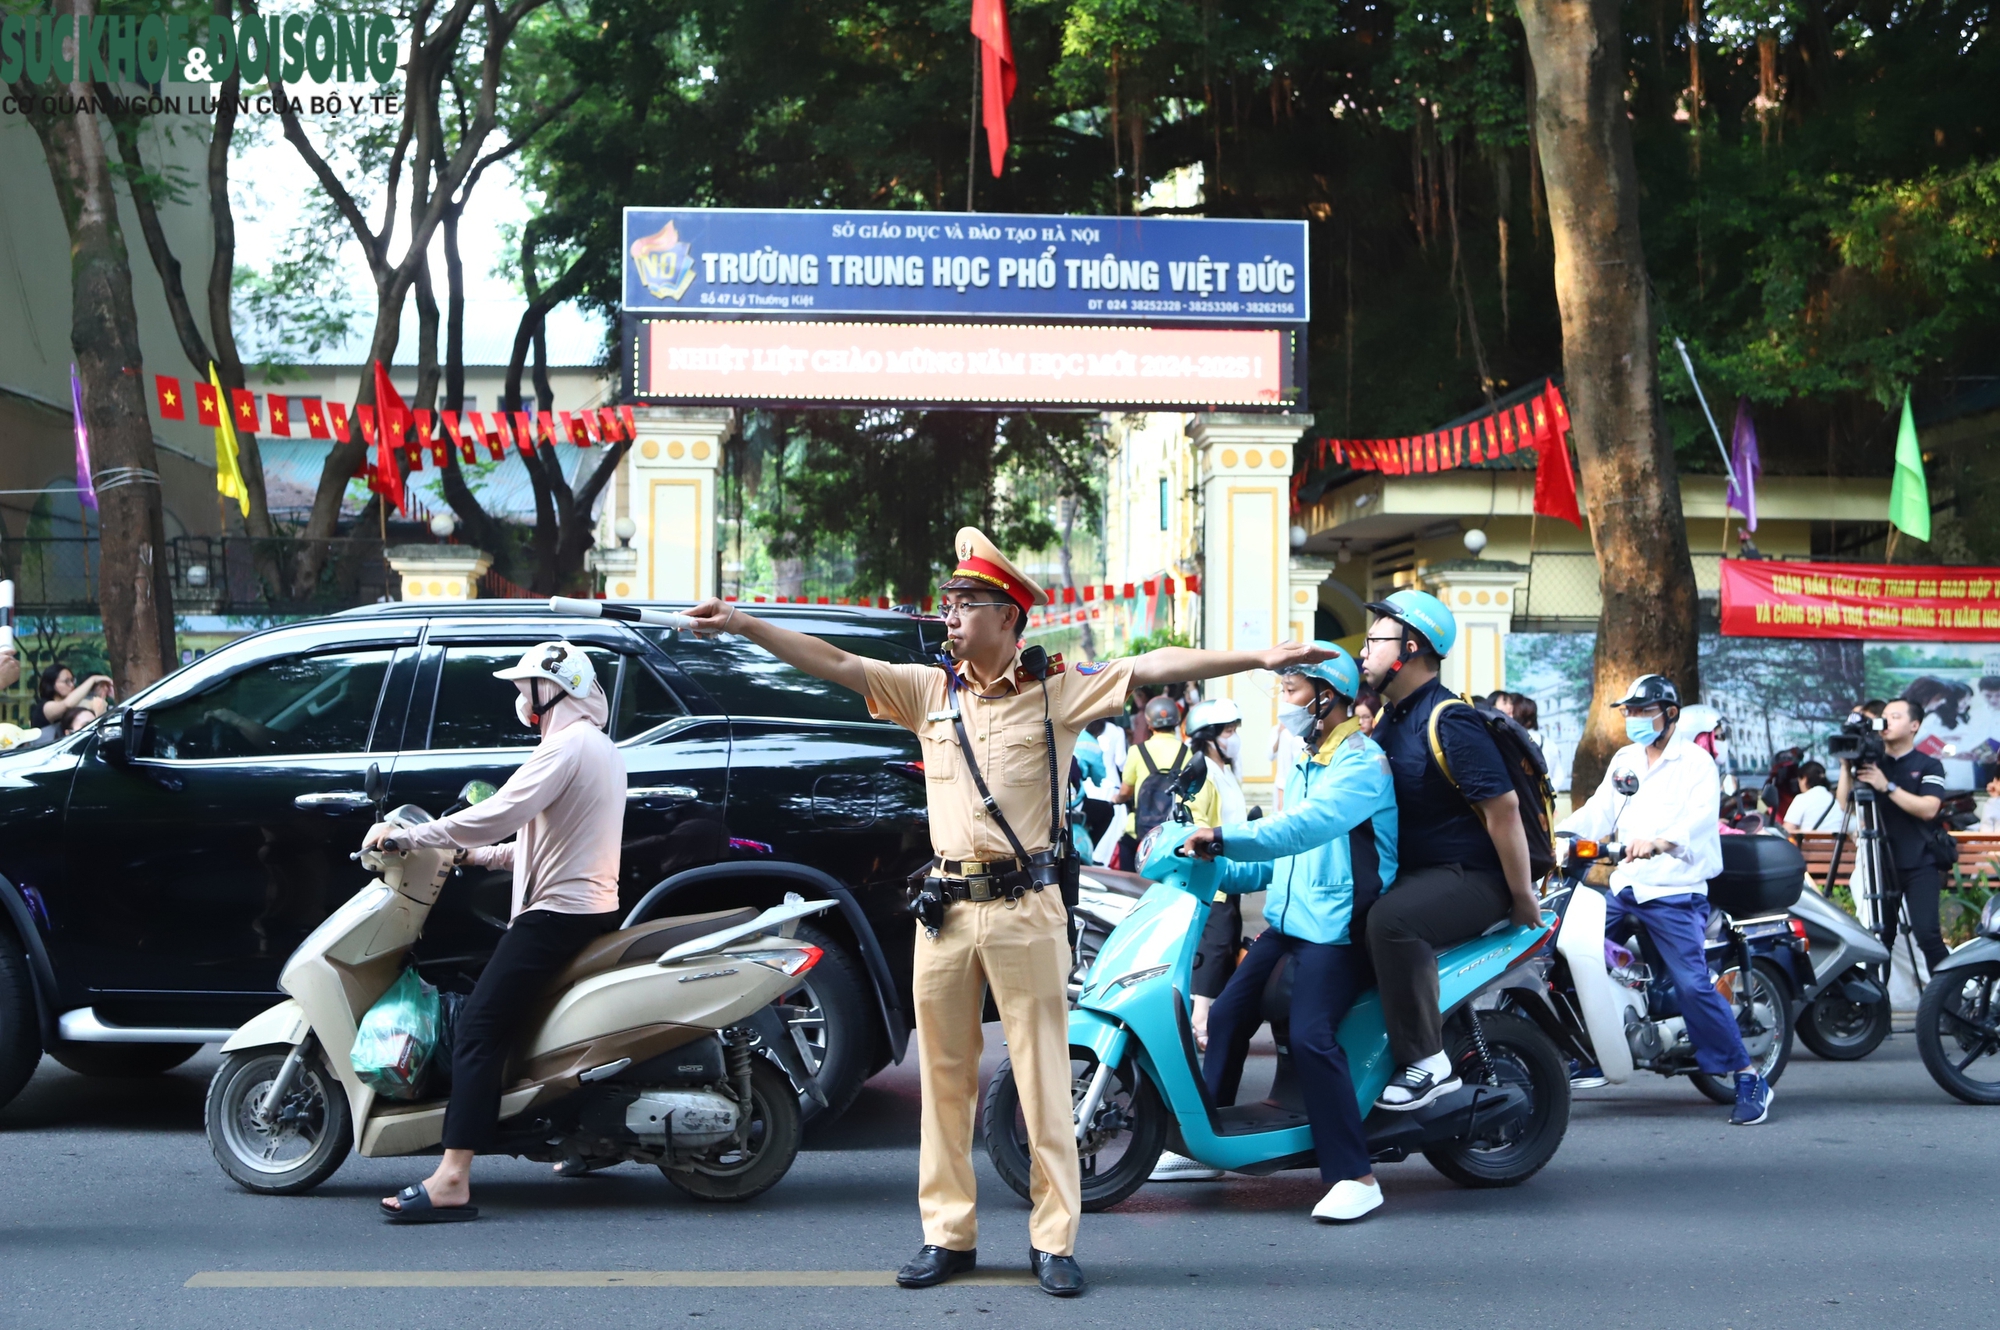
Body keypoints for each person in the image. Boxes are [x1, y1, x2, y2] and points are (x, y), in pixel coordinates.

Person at [678, 529, 1333, 1297]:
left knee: (1042, 1079)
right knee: (945, 1083)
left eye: (966, 605)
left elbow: (1152, 666)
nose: (950, 616)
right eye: (949, 603)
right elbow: (841, 665)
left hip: (1027, 911)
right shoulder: (929, 692)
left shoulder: (1058, 691)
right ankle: (946, 1234)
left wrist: (1254, 660)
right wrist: (746, 625)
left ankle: (1053, 1239)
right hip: (946, 914)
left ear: (1009, 616)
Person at [373, 641, 625, 1223]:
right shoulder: (599, 749)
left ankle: (453, 1177)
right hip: (584, 904)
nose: (518, 696)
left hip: (556, 912)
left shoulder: (564, 748)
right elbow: (548, 844)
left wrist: (412, 837)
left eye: (523, 687)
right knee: (523, 1024)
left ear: (551, 689)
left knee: (479, 1030)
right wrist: (476, 858)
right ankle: (579, 1138)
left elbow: (499, 811)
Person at [1179, 645, 1400, 1221]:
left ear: (1328, 697)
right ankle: (1209, 1146)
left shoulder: (1361, 762)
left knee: (1310, 1036)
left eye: (1294, 691)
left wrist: (1224, 837)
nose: (1286, 702)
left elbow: (1303, 829)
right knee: (1225, 1015)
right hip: (1290, 920)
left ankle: (1356, 1174)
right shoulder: (1307, 758)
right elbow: (1281, 859)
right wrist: (1211, 865)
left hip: (1339, 928)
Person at [1559, 674, 1774, 1125]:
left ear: (1669, 714)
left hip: (1675, 890)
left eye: (1642, 711)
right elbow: (1601, 807)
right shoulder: (1626, 758)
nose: (1634, 719)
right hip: (1626, 887)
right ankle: (1597, 1049)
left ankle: (1748, 1075)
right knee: (1567, 956)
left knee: (1694, 985)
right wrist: (1560, 836)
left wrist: (1660, 841)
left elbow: (1699, 821)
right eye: (1630, 712)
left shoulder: (1696, 763)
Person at [1357, 589, 1537, 1111]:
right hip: (1421, 874)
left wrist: (1521, 894)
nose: (1365, 650)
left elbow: (1501, 811)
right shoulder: (1392, 718)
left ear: (1410, 648)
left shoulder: (1448, 720)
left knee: (1390, 922)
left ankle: (1427, 1061)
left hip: (1471, 877)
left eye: (1376, 639)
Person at [1836, 696, 1949, 971]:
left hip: (1920, 862)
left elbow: (1929, 809)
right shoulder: (1871, 763)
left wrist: (1887, 786)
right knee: (1880, 939)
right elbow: (1845, 805)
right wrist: (1845, 766)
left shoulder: (1928, 765)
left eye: (1896, 717)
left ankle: (1948, 1002)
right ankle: (1874, 1010)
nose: (1886, 722)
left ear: (1914, 725)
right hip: (1880, 864)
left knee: (1928, 935)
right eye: (1884, 716)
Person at [1182, 697, 1247, 1044]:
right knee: (1217, 943)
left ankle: (1208, 1016)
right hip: (1216, 876)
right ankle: (1200, 1021)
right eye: (1228, 730)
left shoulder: (1226, 770)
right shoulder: (1204, 772)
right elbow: (1199, 823)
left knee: (1229, 939)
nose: (1234, 736)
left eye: (1235, 729)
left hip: (1235, 874)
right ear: (1208, 735)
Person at [1117, 693, 1191, 866]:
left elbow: (1126, 792)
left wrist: (1117, 799)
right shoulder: (1185, 751)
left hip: (1141, 831)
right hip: (1172, 829)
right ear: (1176, 722)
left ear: (1149, 724)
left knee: (1125, 851)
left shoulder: (1137, 751)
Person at [34, 662, 111, 729]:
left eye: (72, 680)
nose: (72, 685)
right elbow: (67, 704)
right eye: (67, 681)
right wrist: (93, 679)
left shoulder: (77, 704)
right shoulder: (44, 707)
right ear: (52, 684)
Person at [1782, 761, 1837, 835]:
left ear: (1804, 779)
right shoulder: (1835, 799)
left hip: (1810, 846)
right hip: (1837, 845)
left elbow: (1787, 830)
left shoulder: (1801, 799)